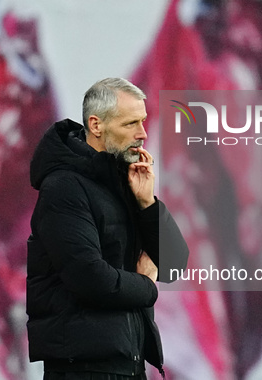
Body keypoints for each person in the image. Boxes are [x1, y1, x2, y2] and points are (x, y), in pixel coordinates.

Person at [26, 77, 189, 379]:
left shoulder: (125, 181)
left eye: (143, 121)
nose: (142, 133)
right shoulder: (63, 187)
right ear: (96, 125)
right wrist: (146, 283)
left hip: (128, 366)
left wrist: (146, 203)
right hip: (82, 370)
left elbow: (175, 264)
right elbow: (90, 279)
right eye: (130, 124)